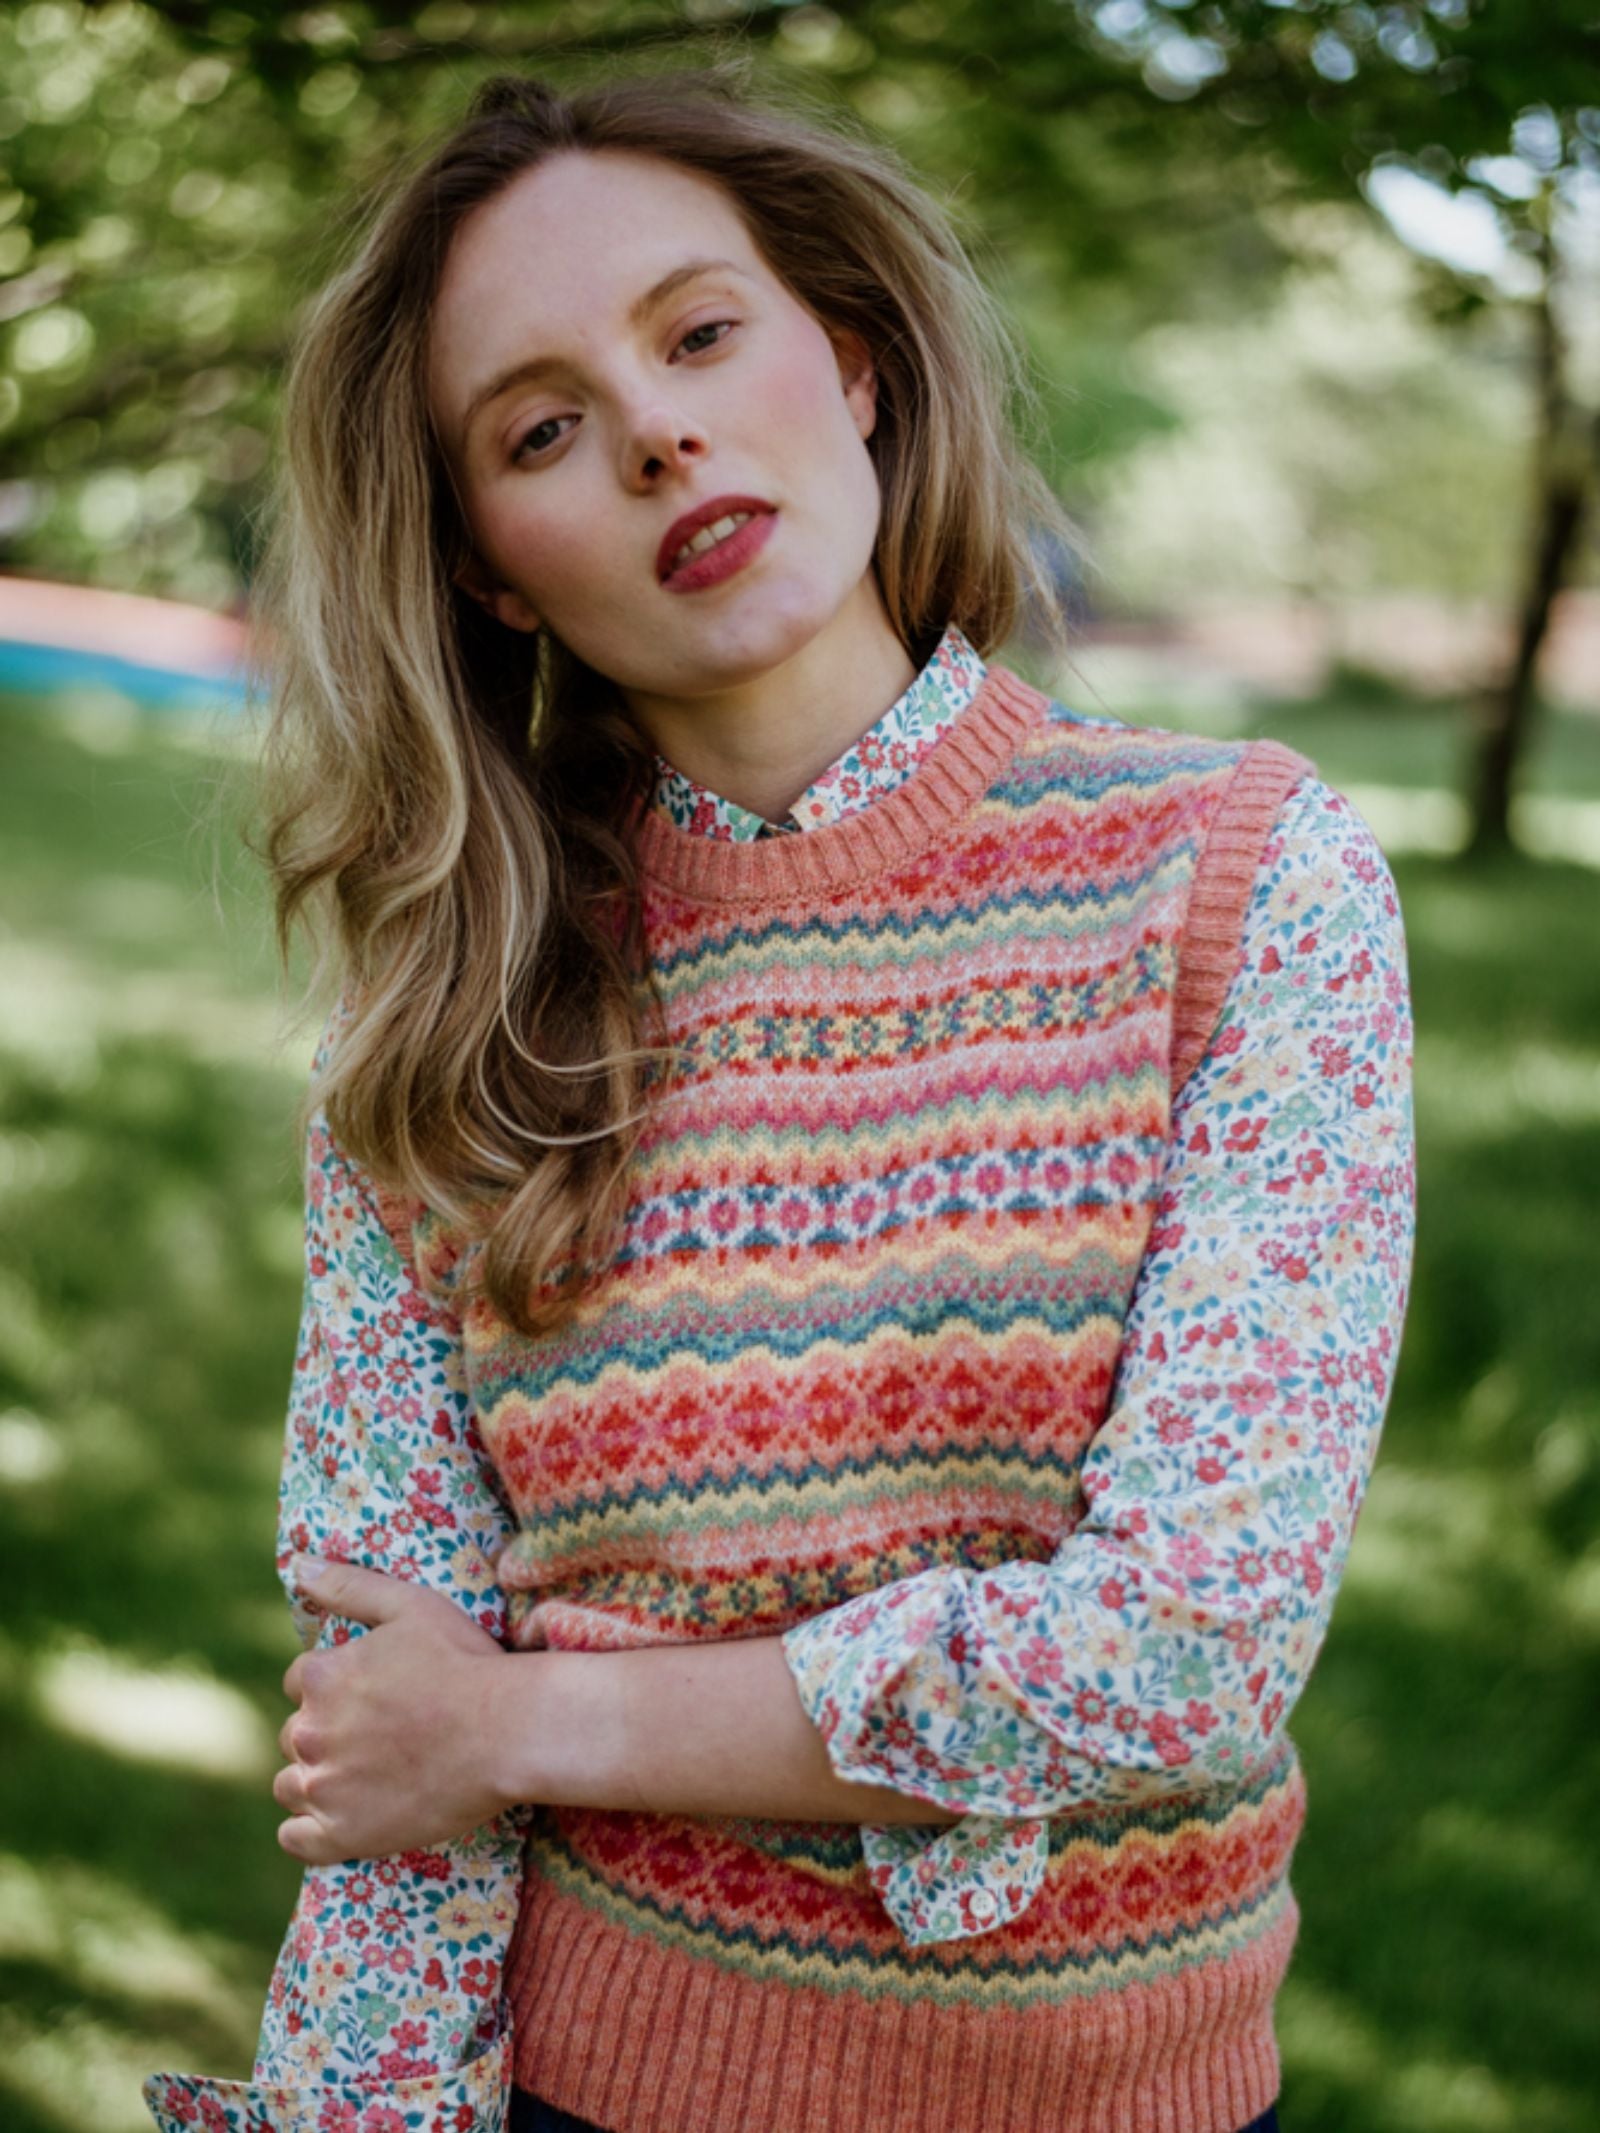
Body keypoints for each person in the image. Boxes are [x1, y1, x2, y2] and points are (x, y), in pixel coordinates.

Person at [142, 57, 1414, 2133]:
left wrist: (532, 1723)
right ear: (490, 567)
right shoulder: (445, 1026)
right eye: (541, 427)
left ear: (854, 361)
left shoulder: (1237, 880)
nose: (655, 431)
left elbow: (1185, 1646)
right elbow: (394, 1753)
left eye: (700, 334)